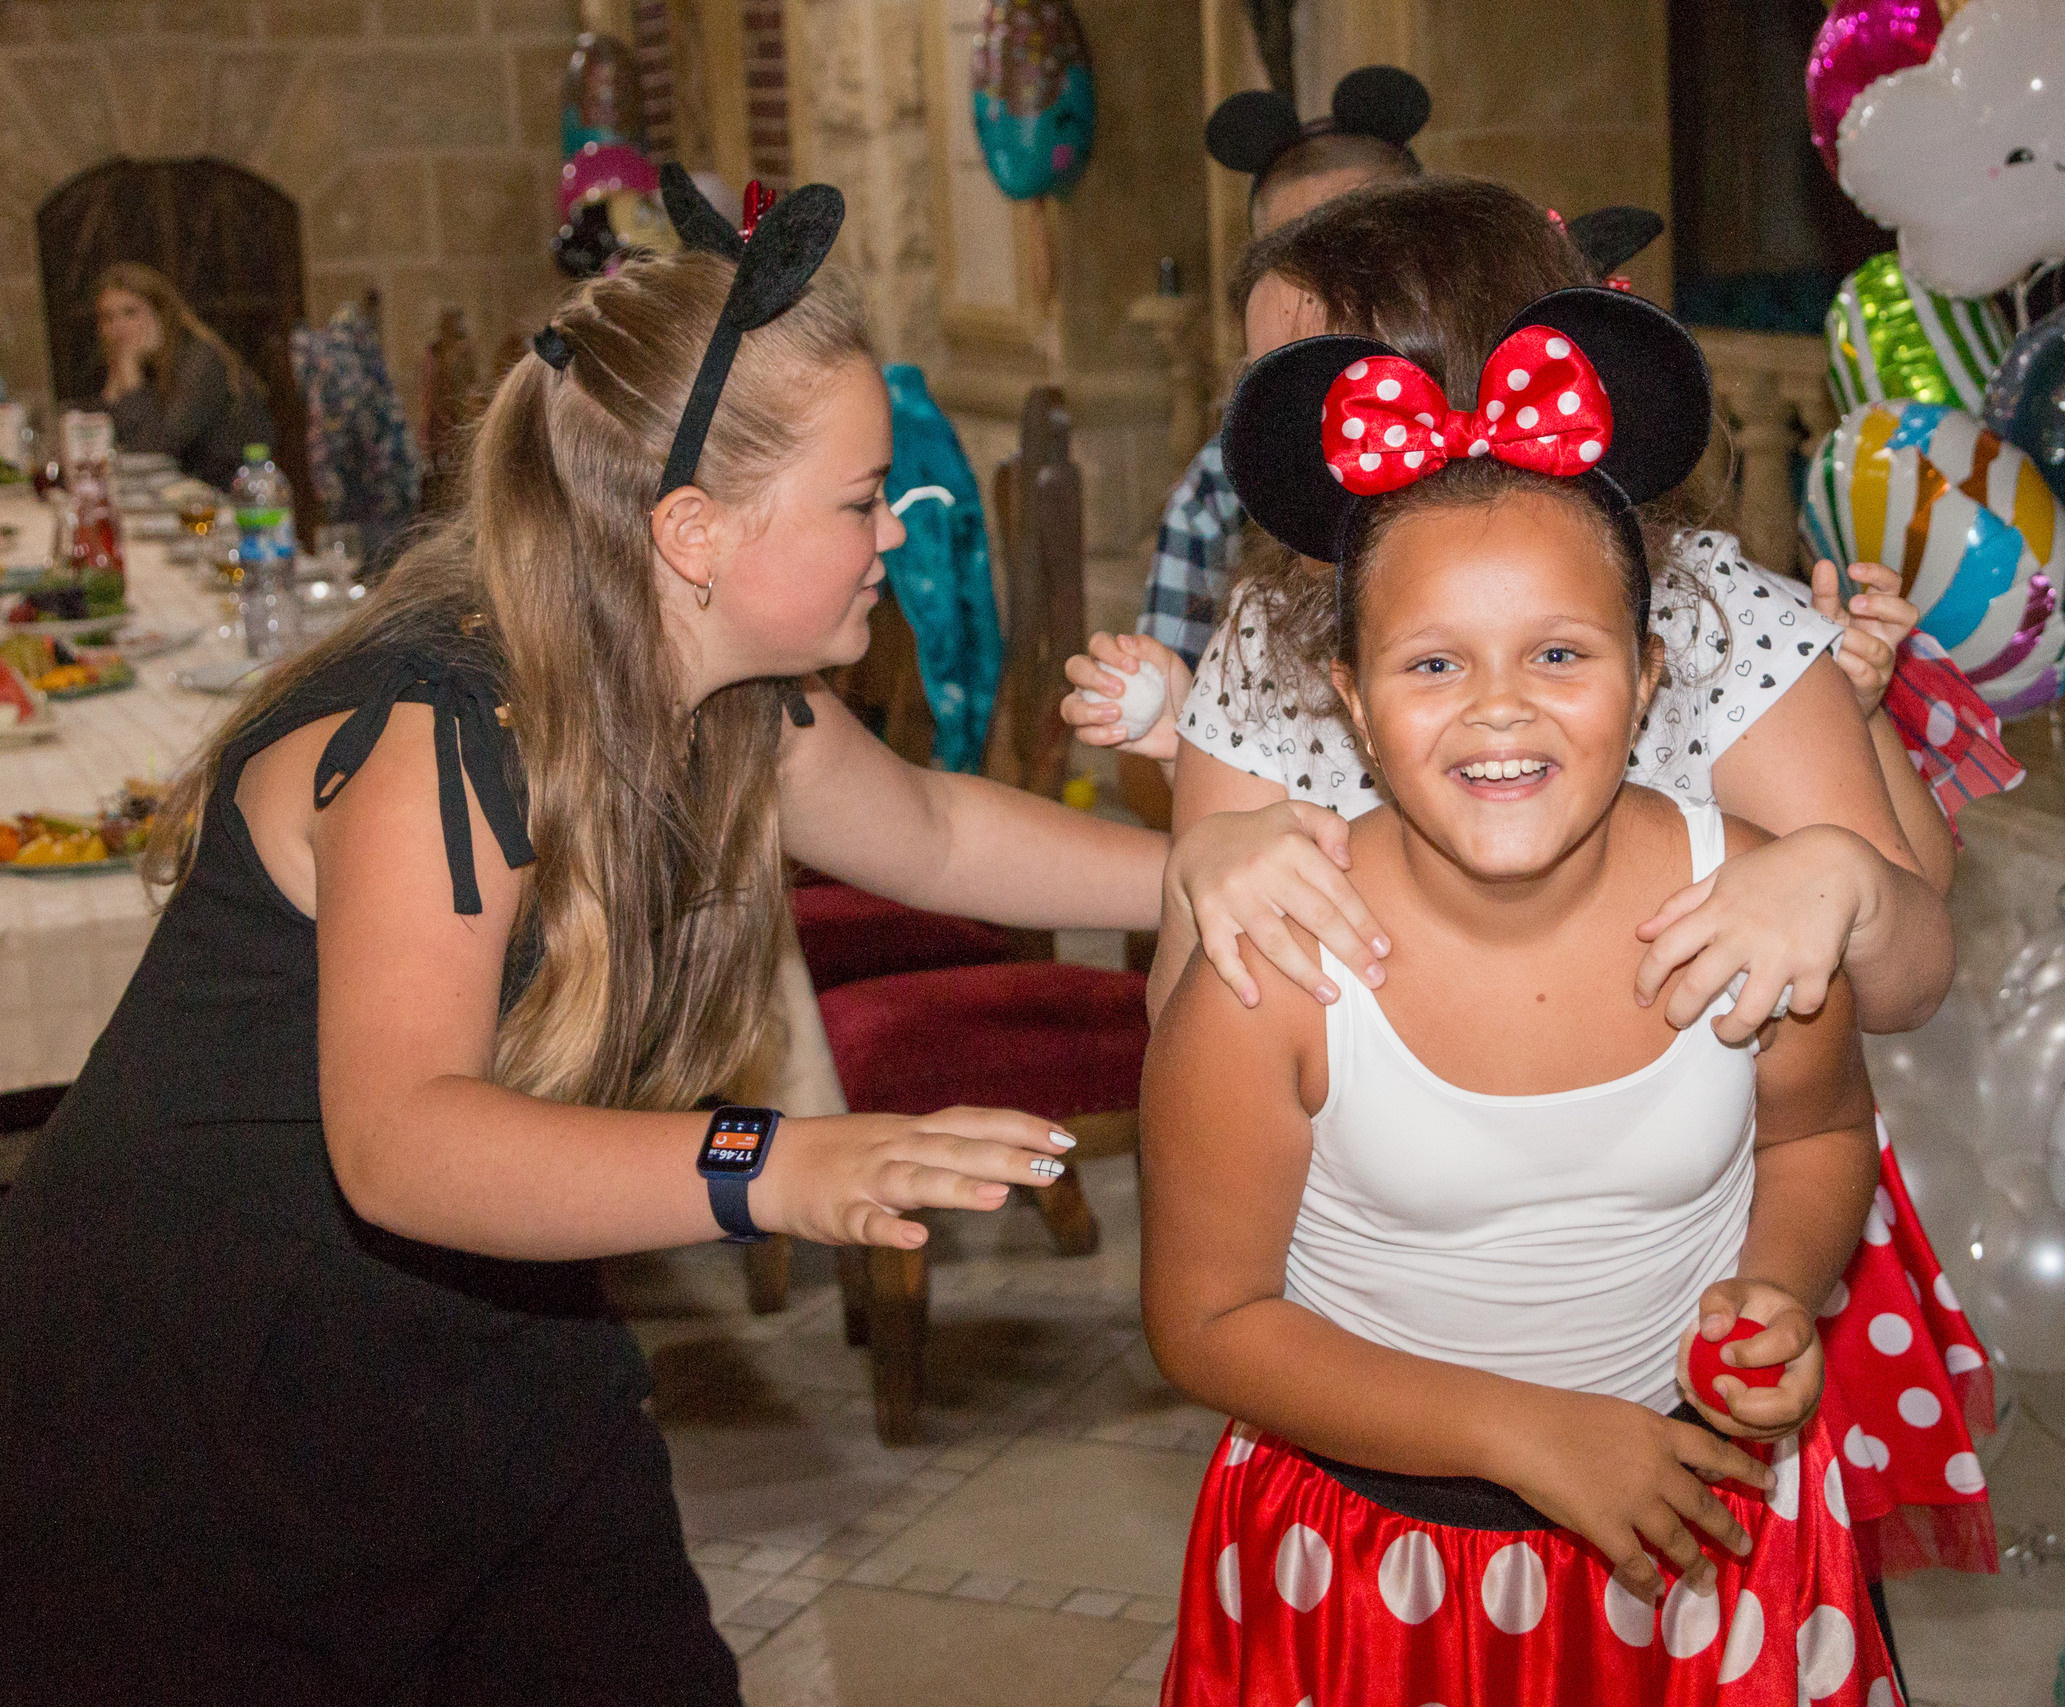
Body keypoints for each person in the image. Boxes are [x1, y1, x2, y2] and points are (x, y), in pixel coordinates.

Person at [0, 172, 1356, 1704]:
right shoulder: (435, 729)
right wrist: (774, 1161)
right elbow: (404, 1142)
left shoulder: (726, 699)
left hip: (486, 1333)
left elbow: (932, 831)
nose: (892, 530)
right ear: (695, 531)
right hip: (191, 1380)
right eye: (860, 498)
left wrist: (1239, 860)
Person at [1069, 178, 2000, 1592]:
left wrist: (1839, 888)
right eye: (1267, 382)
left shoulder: (1706, 611)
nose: (1279, 418)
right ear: (1359, 691)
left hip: (1686, 1178)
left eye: (1312, 372)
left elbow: (1892, 991)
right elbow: (1201, 1116)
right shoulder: (1273, 634)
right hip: (1389, 1256)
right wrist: (1203, 865)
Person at [1139, 68, 1431, 668]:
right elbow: (1167, 703)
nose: (1331, 303)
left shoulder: (1512, 423)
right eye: (1297, 264)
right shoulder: (1220, 489)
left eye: (1366, 257)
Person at [89, 261, 276, 488]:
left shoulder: (199, 359)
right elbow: (107, 450)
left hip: (230, 497)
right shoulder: (127, 364)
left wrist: (130, 381)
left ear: (159, 313)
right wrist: (113, 392)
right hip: (172, 496)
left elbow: (156, 451)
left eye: (130, 313)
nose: (118, 327)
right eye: (108, 318)